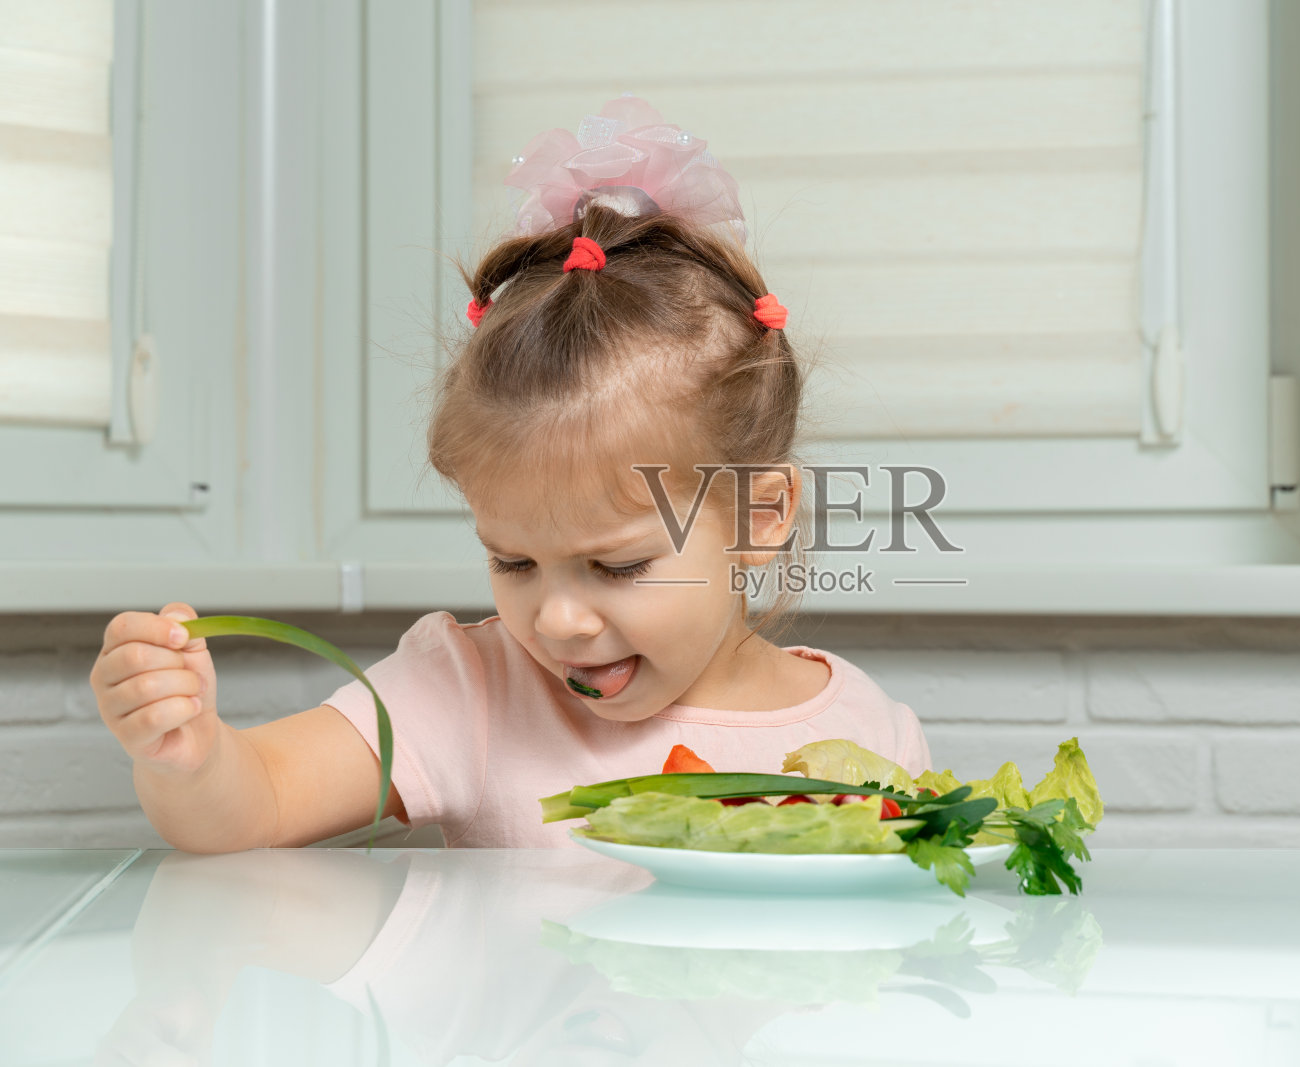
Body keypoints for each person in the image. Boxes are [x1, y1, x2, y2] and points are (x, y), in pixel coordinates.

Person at [89, 96, 932, 851]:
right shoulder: (474, 691)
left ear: (761, 515)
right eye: (513, 560)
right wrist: (189, 756)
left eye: (617, 564)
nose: (557, 620)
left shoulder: (871, 733)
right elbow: (260, 800)